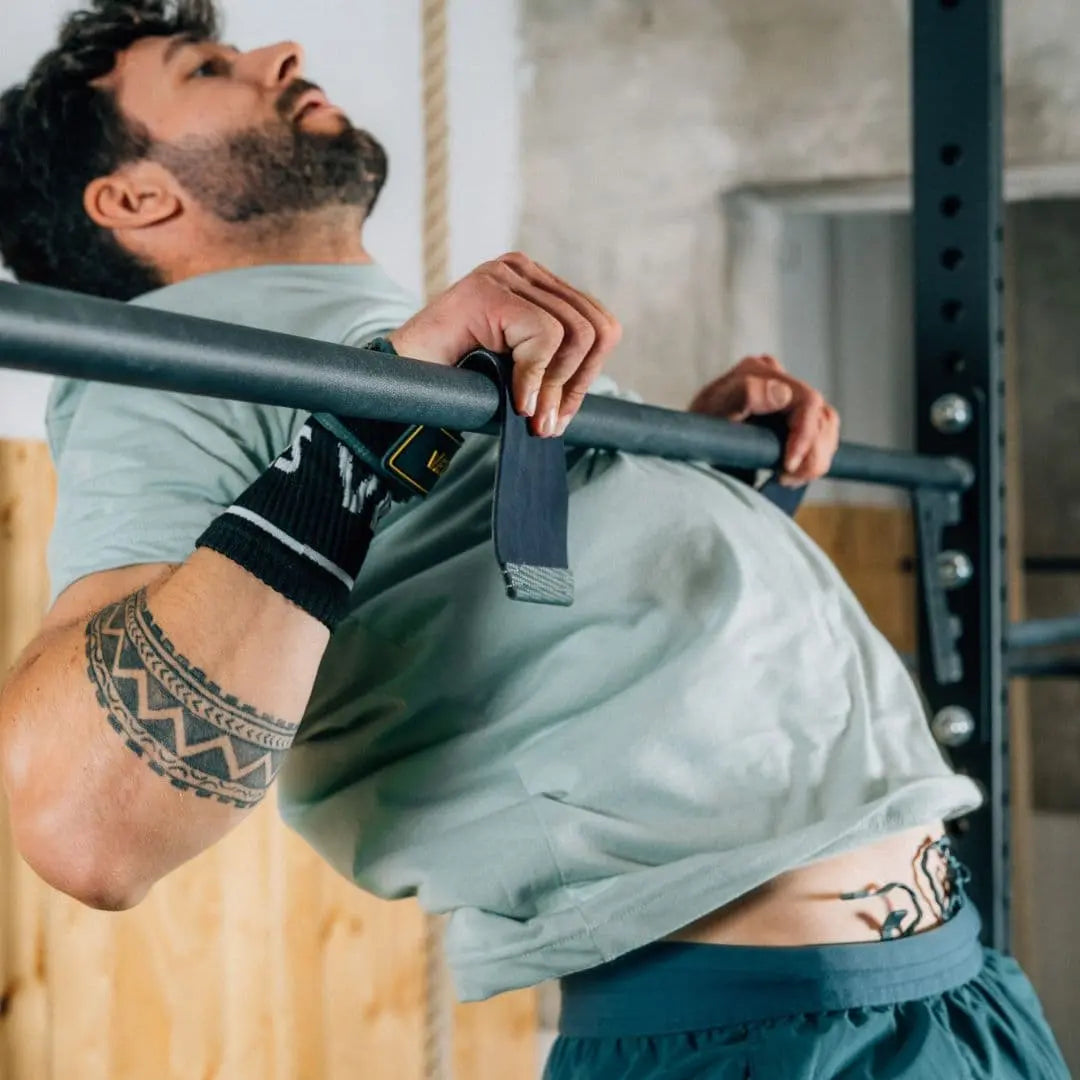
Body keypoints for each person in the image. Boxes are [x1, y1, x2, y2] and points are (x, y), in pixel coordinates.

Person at [0, 2, 1067, 1077]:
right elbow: (85, 828)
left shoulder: (392, 329)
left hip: (959, 991)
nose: (284, 55)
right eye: (209, 68)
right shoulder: (164, 371)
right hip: (763, 1030)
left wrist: (706, 472)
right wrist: (370, 427)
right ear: (135, 195)